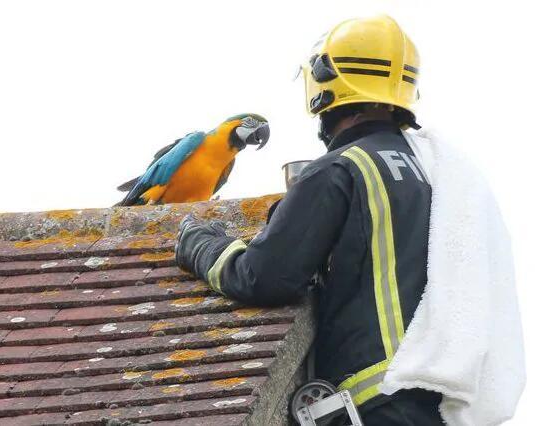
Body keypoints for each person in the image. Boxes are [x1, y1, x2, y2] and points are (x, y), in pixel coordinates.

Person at [176, 15, 444, 425]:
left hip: (376, 407)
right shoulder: (430, 171)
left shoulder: (339, 170)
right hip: (435, 406)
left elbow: (263, 276)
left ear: (324, 84)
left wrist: (199, 243)